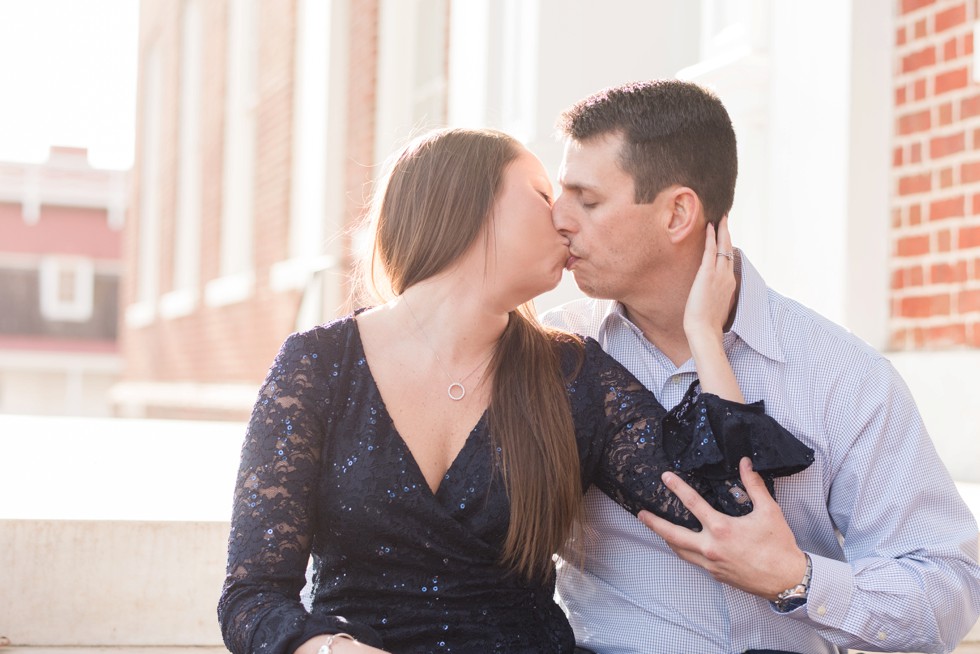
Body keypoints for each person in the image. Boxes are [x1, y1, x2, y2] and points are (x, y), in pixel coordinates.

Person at [216, 127, 814, 654]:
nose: (562, 216)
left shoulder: (574, 374)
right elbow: (252, 597)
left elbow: (726, 512)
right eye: (541, 194)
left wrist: (704, 335)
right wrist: (326, 649)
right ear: (468, 207)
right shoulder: (318, 366)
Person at [544, 79, 980, 653]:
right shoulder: (552, 350)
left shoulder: (842, 376)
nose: (558, 218)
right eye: (561, 194)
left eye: (588, 200)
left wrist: (798, 578)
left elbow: (946, 587)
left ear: (678, 213)